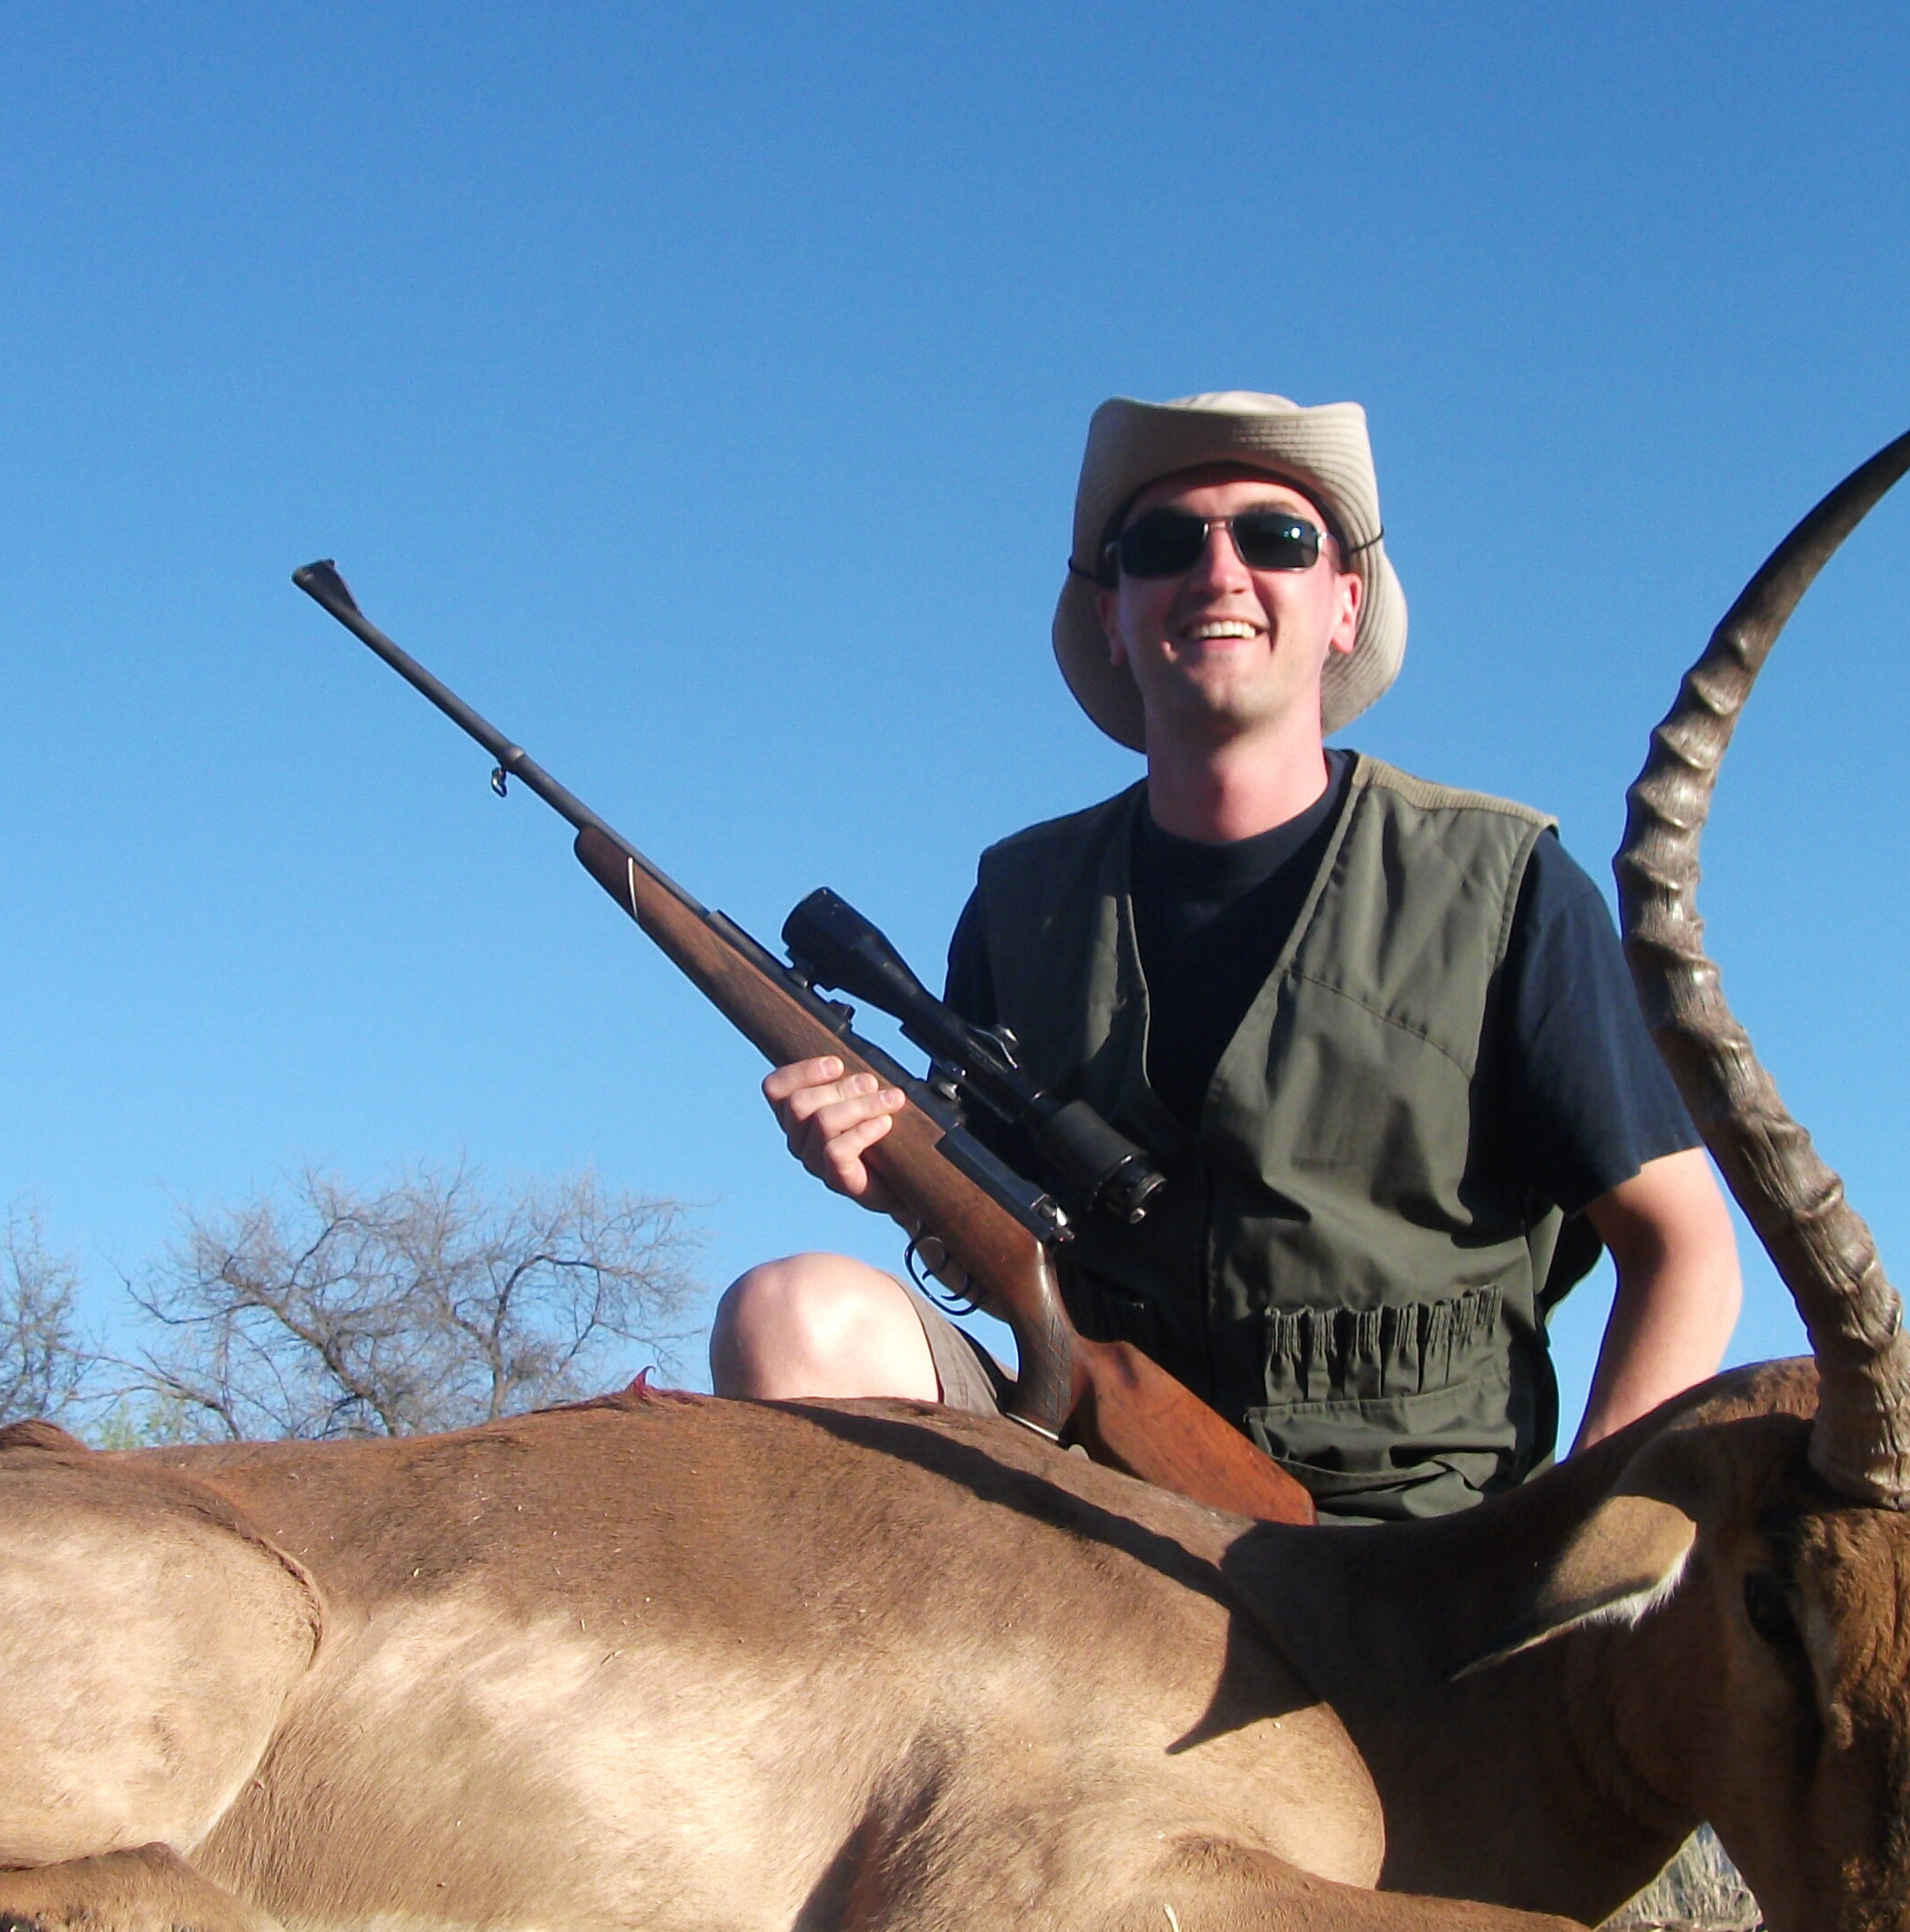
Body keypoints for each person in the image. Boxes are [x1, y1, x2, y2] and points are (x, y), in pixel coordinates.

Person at [708, 390, 1741, 1520]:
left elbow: (1687, 1251)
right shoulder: (1020, 901)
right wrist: (885, 1176)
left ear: (1344, 604)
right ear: (1113, 616)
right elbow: (1006, 1236)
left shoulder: (1503, 884)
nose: (1217, 572)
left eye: (1275, 539)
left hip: (1416, 1554)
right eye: (1161, 545)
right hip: (1105, 1503)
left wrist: (1570, 1552)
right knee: (790, 1318)